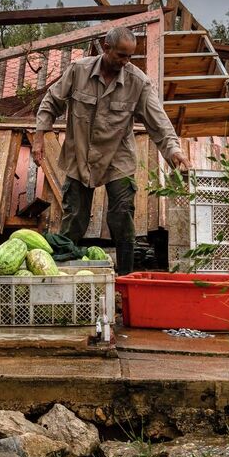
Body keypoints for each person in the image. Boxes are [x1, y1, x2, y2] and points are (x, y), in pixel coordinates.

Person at [34, 26, 189, 275]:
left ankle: (126, 280)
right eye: (121, 56)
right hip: (80, 153)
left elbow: (158, 121)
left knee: (122, 216)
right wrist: (39, 137)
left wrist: (173, 150)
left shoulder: (138, 82)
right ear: (106, 48)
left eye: (130, 57)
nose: (125, 62)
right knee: (74, 216)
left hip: (118, 157)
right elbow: (51, 102)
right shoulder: (78, 71)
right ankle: (60, 274)